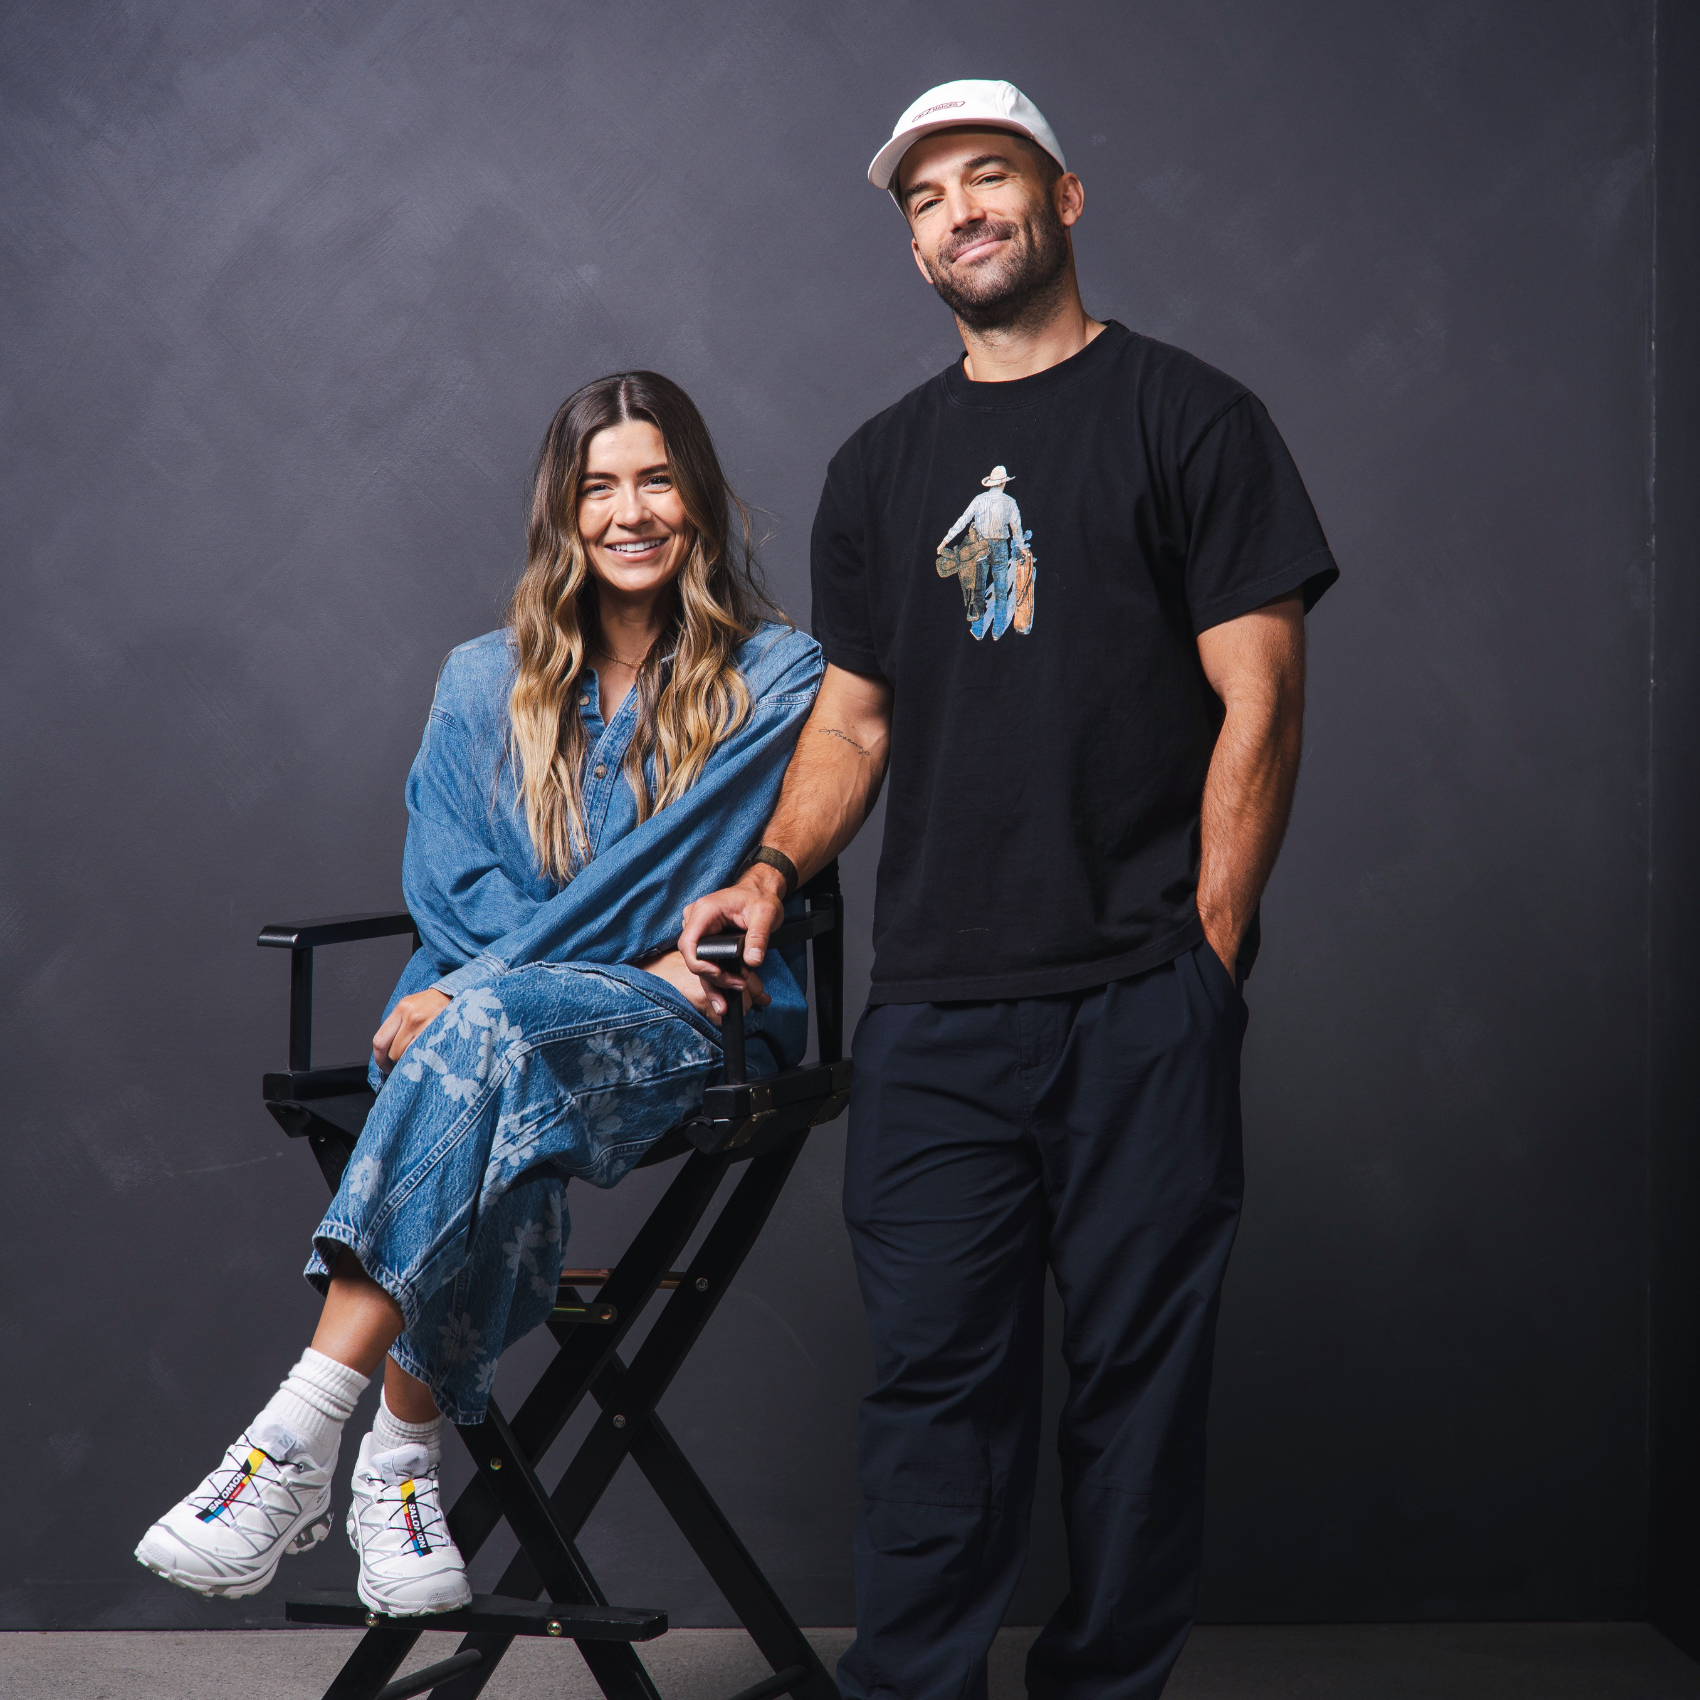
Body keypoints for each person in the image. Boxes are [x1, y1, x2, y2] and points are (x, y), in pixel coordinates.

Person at [680, 79, 1338, 1700]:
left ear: (1066, 198)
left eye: (992, 178)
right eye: (926, 197)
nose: (961, 211)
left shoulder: (1193, 417)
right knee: (934, 1389)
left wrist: (1212, 949)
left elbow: (1263, 694)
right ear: (910, 242)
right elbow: (858, 712)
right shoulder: (880, 464)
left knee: (1136, 1389)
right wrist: (772, 864)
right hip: (940, 1015)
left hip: (1139, 996)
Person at [136, 371, 823, 1617]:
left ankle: (291, 1442)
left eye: (656, 478)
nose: (629, 511)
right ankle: (396, 1461)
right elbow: (446, 885)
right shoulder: (476, 681)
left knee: (484, 1032)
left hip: (684, 1032)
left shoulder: (775, 674)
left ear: (699, 497)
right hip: (503, 1036)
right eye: (596, 485)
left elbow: (679, 868)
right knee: (502, 1084)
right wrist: (560, 970)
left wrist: (503, 984)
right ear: (560, 513)